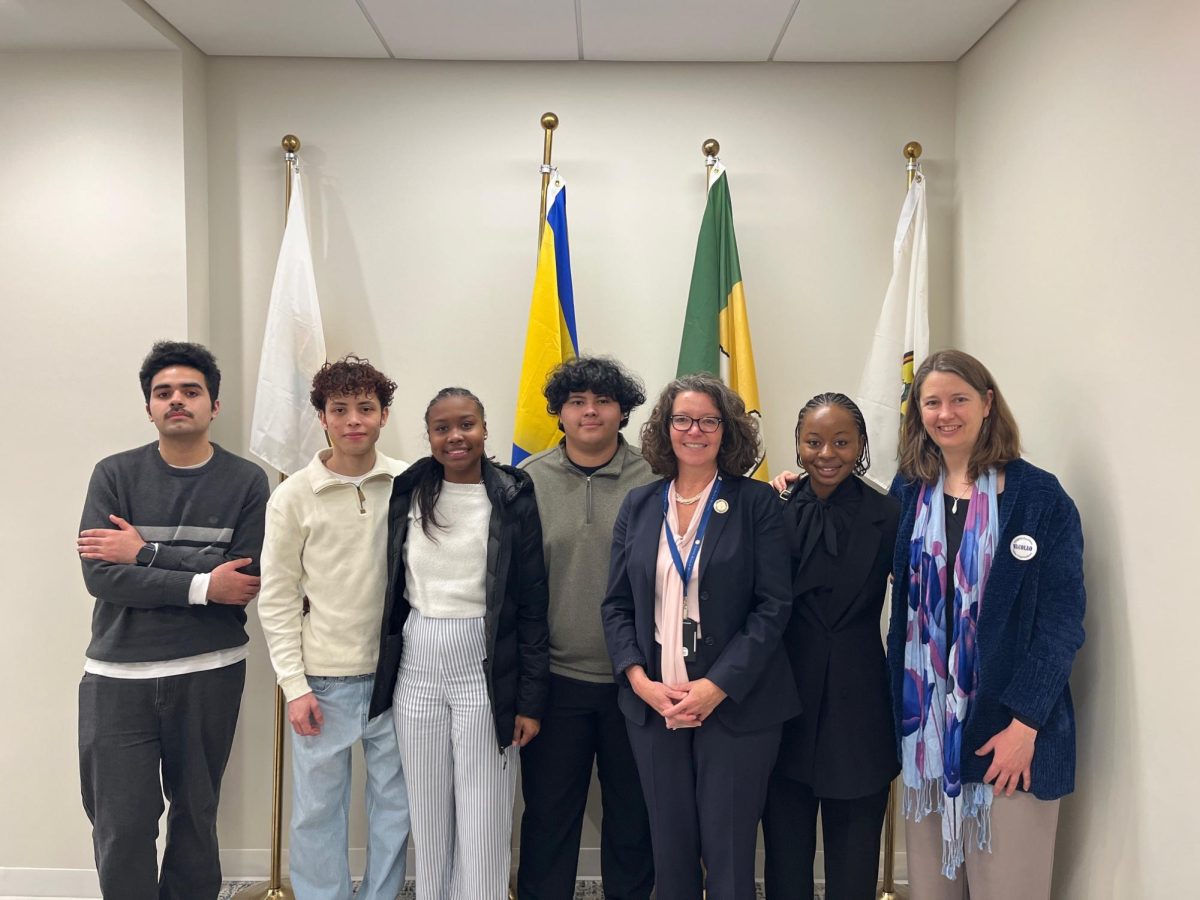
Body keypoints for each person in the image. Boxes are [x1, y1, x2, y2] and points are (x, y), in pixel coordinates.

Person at [886, 350, 1085, 900]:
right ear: (918, 412)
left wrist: (1026, 727)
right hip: (925, 740)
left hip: (1008, 739)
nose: (945, 413)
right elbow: (854, 545)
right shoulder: (909, 491)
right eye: (932, 402)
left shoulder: (1040, 499)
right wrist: (796, 493)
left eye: (959, 399)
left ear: (988, 404)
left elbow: (1062, 624)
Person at [76, 340, 268, 900]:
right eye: (164, 393)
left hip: (210, 670)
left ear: (214, 405)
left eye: (190, 391)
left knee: (196, 816)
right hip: (118, 679)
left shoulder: (246, 481)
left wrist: (144, 553)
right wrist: (206, 582)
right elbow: (101, 577)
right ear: (149, 407)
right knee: (122, 824)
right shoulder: (113, 474)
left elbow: (246, 580)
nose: (176, 401)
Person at [601, 373, 799, 900]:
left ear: (726, 430)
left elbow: (774, 606)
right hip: (655, 705)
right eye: (683, 419)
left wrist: (717, 686)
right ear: (666, 430)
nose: (695, 430)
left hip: (737, 708)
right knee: (670, 849)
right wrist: (639, 680)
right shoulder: (640, 506)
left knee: (730, 852)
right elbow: (617, 604)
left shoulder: (756, 504)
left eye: (708, 420)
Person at [368, 387, 550, 900]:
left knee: (486, 810)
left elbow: (533, 602)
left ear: (485, 429)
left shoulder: (514, 495)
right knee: (427, 810)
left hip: (486, 662)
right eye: (442, 427)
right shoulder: (409, 489)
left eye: (466, 424)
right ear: (428, 435)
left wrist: (529, 700)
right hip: (419, 658)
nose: (455, 436)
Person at [258, 356, 410, 900]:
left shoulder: (408, 484)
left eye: (365, 408)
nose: (353, 420)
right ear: (322, 417)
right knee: (317, 812)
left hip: (398, 679)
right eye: (339, 409)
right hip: (324, 681)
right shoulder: (293, 496)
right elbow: (276, 597)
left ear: (384, 415)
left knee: (396, 806)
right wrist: (293, 687)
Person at [517, 356, 656, 900]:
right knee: (549, 821)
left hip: (638, 682)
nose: (590, 411)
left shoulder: (657, 480)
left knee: (634, 820)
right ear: (559, 413)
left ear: (622, 412)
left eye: (602, 401)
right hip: (555, 682)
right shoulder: (527, 482)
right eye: (577, 402)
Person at [761, 393, 900, 900]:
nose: (827, 453)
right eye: (814, 441)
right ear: (797, 445)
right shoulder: (769, 509)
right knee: (785, 854)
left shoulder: (891, 513)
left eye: (842, 441)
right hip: (783, 700)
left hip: (858, 700)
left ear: (861, 444)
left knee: (855, 856)